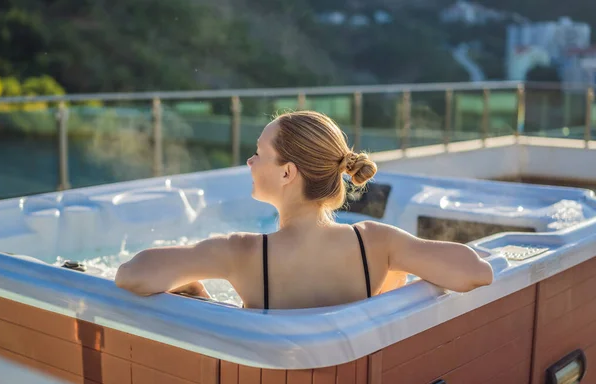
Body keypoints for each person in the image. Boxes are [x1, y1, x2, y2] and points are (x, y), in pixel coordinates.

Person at [115, 111, 493, 309]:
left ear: (287, 173)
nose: (250, 161)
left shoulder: (241, 252)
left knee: (189, 287)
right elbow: (476, 272)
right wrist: (393, 279)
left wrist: (197, 292)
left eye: (259, 153)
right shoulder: (374, 243)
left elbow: (132, 275)